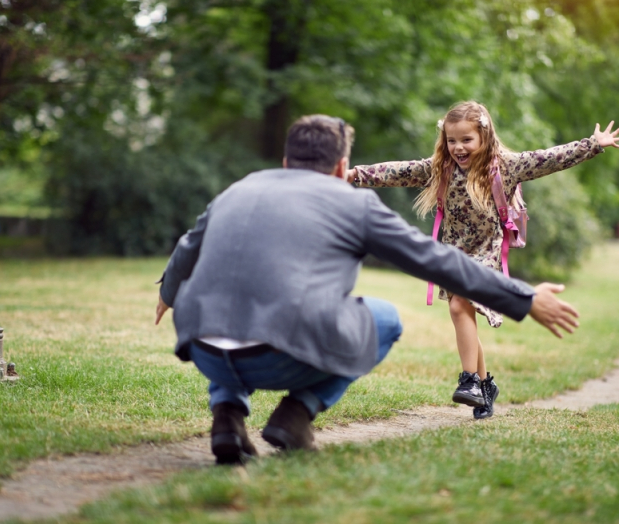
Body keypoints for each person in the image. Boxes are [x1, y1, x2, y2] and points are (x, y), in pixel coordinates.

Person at [155, 114, 581, 465]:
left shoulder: (239, 188)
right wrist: (523, 297)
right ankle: (296, 413)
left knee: (237, 300)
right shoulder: (354, 203)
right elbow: (437, 261)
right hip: (280, 358)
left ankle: (227, 414)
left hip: (202, 348)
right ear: (343, 168)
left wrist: (168, 292)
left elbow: (188, 245)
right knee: (385, 319)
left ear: (286, 162)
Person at [346, 100, 619, 419]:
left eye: (466, 139)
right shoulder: (441, 167)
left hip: (487, 249)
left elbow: (549, 158)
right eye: (452, 140)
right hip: (453, 249)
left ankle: (469, 381)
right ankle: (484, 385)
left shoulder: (505, 166)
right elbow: (399, 171)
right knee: (464, 312)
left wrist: (592, 145)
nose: (458, 147)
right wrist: (355, 174)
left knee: (457, 305)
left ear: (484, 135)